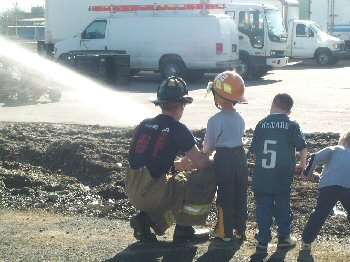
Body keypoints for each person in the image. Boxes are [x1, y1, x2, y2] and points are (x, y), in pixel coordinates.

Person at [125, 76, 217, 243]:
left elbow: (145, 160)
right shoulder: (178, 129)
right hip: (153, 195)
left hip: (133, 190)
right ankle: (185, 229)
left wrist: (177, 164)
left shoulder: (144, 124)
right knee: (205, 176)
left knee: (174, 184)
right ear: (182, 105)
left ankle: (146, 220)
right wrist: (216, 158)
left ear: (160, 103)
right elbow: (201, 164)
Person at [250, 93, 308, 253]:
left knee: (263, 207)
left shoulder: (261, 124)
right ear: (289, 111)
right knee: (283, 206)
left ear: (273, 103)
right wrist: (302, 165)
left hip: (263, 175)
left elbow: (255, 150)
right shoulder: (291, 124)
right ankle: (284, 238)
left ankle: (262, 240)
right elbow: (303, 147)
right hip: (282, 174)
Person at [202, 70, 249, 242]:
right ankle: (240, 230)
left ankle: (224, 232)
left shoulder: (215, 120)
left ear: (218, 97)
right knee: (240, 194)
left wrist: (204, 155)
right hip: (240, 157)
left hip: (224, 158)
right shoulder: (240, 118)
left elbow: (208, 145)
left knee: (225, 195)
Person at [300, 131, 350, 251]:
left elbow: (315, 157)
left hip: (329, 186)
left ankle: (306, 242)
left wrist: (307, 174)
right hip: (348, 186)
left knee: (320, 213)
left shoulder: (335, 149)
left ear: (345, 140)